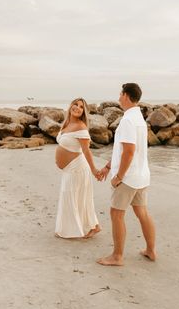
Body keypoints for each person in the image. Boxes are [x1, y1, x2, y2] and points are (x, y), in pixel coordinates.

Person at [97, 83, 156, 266]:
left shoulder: (128, 120)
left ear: (126, 96)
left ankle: (117, 256)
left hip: (128, 178)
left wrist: (119, 177)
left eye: (120, 93)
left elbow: (129, 151)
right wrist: (108, 166)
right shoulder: (139, 118)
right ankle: (151, 251)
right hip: (141, 175)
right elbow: (121, 150)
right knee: (142, 213)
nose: (118, 97)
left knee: (116, 214)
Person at [55, 98, 101, 239]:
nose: (77, 108)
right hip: (69, 169)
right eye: (75, 104)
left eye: (81, 107)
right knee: (74, 197)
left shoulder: (81, 127)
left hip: (77, 168)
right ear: (70, 106)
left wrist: (94, 170)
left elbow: (87, 151)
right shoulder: (67, 124)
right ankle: (93, 226)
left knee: (74, 197)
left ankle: (91, 227)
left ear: (83, 112)